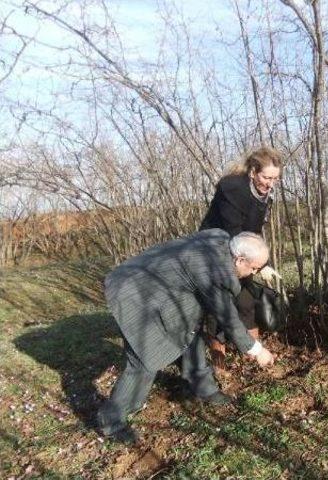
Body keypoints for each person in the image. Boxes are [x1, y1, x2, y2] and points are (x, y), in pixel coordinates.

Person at [96, 230, 276, 443]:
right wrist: (257, 350)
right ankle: (111, 422)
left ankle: (203, 389)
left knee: (191, 330)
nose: (253, 273)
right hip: (134, 292)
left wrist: (261, 267)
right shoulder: (212, 270)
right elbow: (228, 318)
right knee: (143, 360)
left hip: (162, 289)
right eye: (253, 268)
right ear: (239, 259)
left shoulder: (220, 238)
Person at [199, 147, 282, 366]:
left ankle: (252, 351)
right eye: (266, 177)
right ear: (253, 171)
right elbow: (234, 233)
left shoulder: (263, 195)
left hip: (244, 252)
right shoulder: (232, 189)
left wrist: (264, 263)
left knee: (246, 300)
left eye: (275, 179)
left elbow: (254, 233)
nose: (270, 183)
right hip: (215, 252)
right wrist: (258, 263)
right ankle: (219, 358)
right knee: (219, 305)